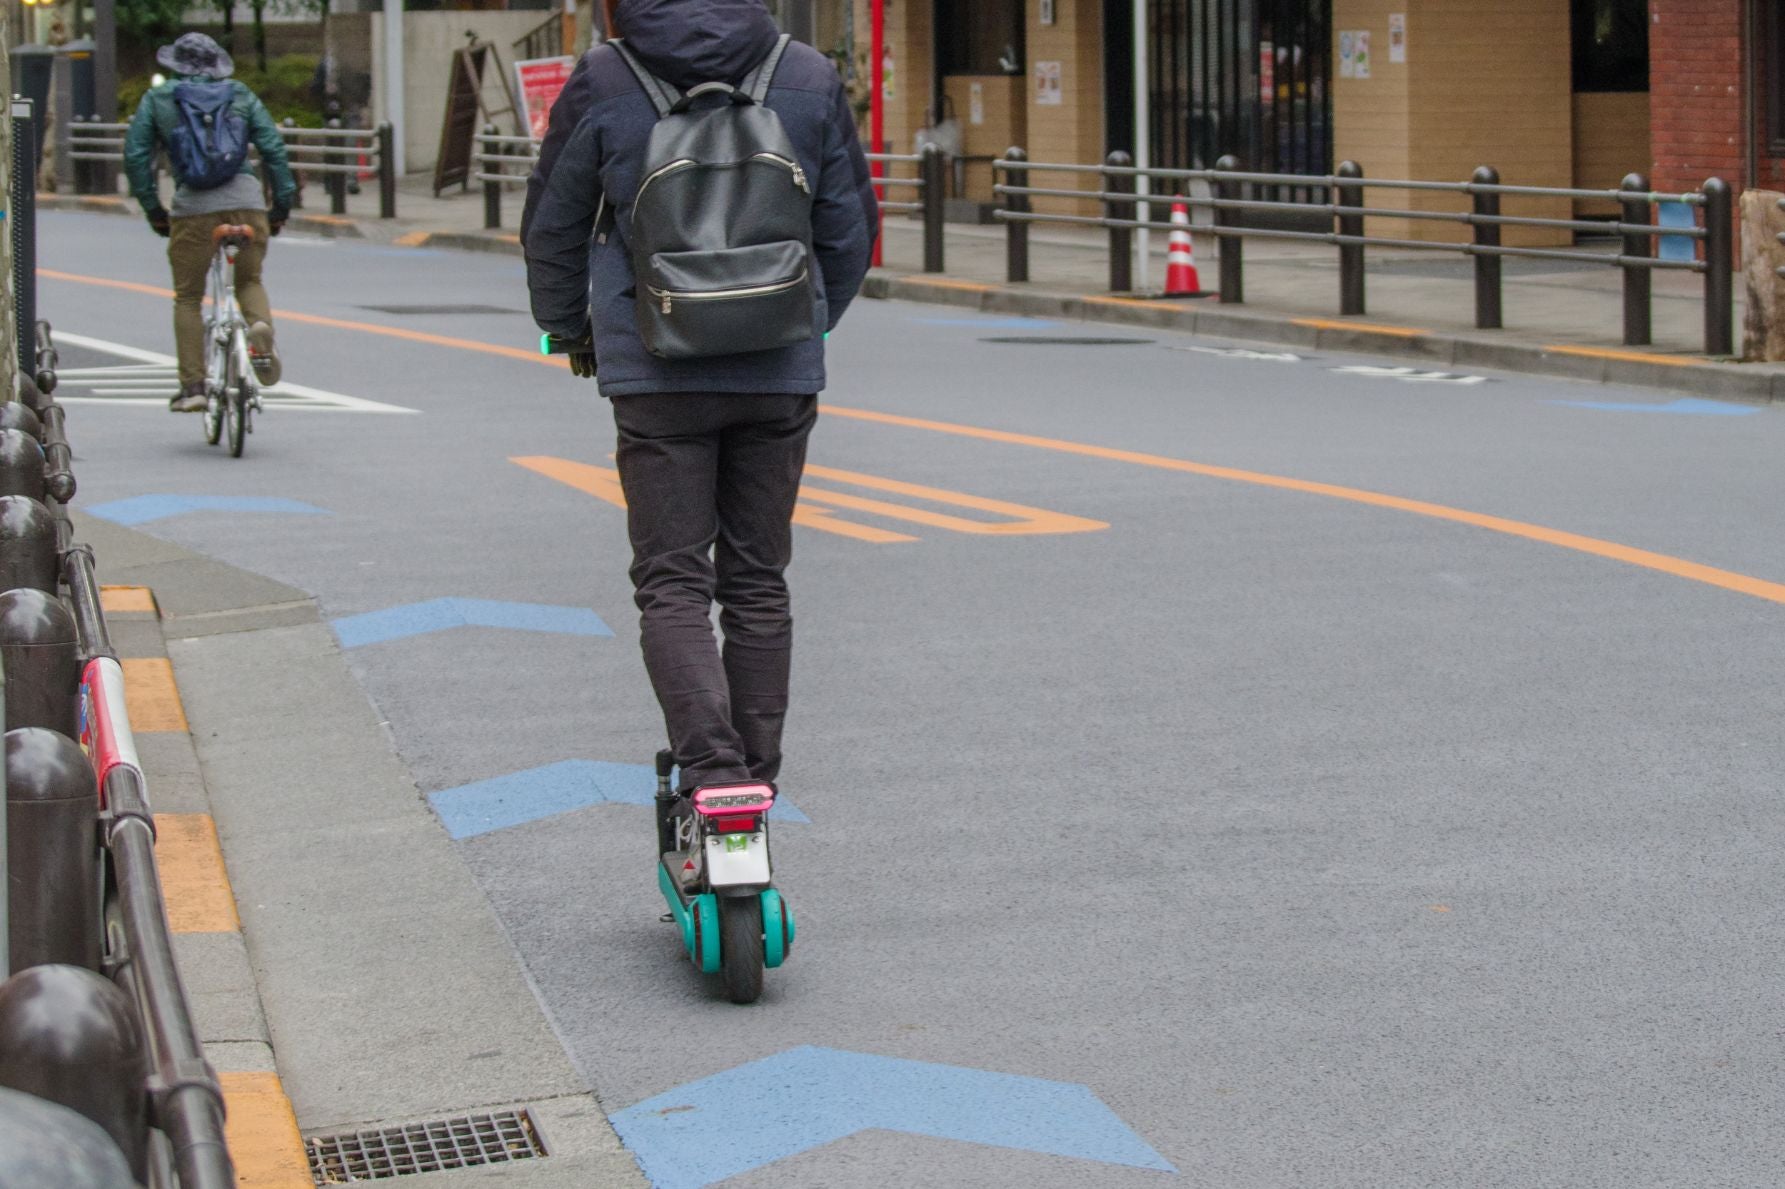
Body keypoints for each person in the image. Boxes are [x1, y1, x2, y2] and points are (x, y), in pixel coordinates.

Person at [524, 0, 876, 813]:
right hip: (777, 369)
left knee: (672, 580)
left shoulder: (607, 77)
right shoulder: (806, 73)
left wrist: (568, 329)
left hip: (655, 364)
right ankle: (753, 782)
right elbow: (849, 230)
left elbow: (553, 225)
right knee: (755, 581)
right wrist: (804, 322)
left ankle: (711, 775)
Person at [125, 33, 296, 412]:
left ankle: (194, 388)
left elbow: (136, 157)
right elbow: (274, 150)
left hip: (193, 210)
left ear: (176, 65)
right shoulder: (240, 94)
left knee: (188, 296)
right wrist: (280, 207)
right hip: (247, 204)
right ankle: (259, 330)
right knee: (249, 280)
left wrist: (154, 209)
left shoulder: (158, 99)